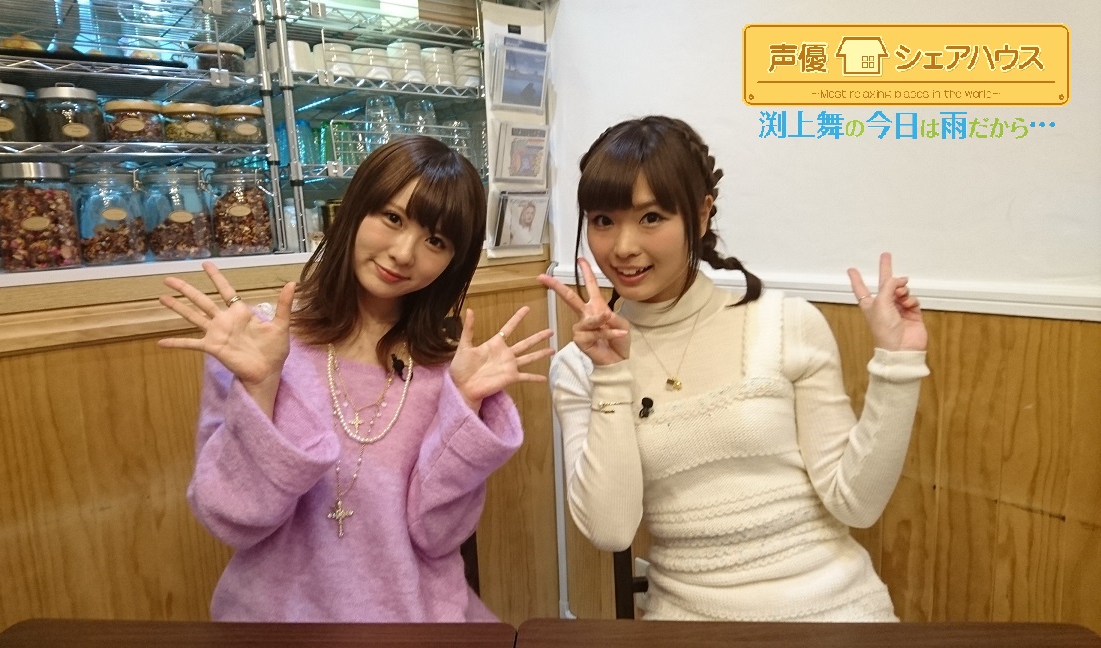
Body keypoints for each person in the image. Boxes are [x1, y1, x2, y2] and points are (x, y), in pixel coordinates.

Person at [538, 116, 929, 622]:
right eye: (602, 220)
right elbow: (611, 530)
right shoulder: (579, 366)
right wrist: (611, 375)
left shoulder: (784, 322)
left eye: (651, 217)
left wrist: (898, 363)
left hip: (837, 611)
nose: (623, 246)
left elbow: (856, 503)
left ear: (701, 215)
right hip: (690, 621)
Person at [158, 136, 554, 623]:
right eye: (393, 218)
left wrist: (466, 405)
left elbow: (439, 536)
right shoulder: (261, 345)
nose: (404, 253)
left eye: (436, 241)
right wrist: (260, 385)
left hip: (415, 625)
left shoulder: (446, 371)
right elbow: (231, 518)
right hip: (276, 627)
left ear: (454, 261)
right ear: (354, 209)